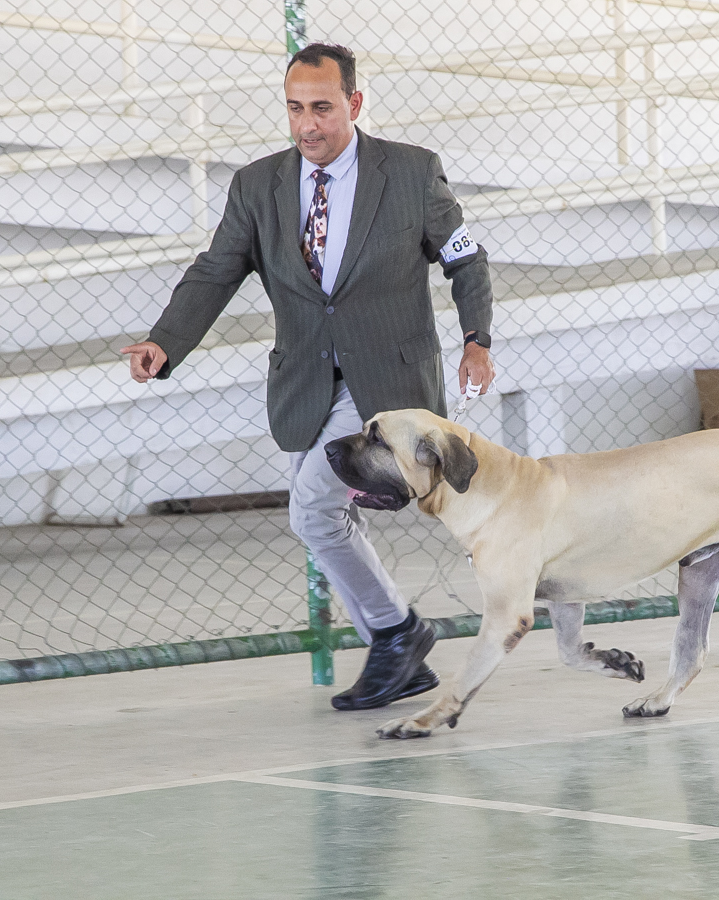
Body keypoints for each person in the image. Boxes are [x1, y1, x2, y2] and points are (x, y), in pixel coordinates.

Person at [122, 43, 495, 711]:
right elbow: (216, 271)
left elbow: (464, 260)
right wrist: (163, 341)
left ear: (354, 103)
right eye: (295, 108)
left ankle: (397, 634)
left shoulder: (411, 173)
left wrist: (476, 340)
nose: (307, 125)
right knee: (317, 517)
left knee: (313, 508)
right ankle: (398, 651)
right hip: (309, 383)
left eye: (322, 108)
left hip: (389, 388)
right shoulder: (258, 185)